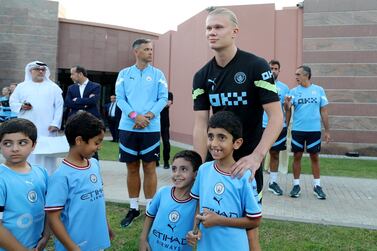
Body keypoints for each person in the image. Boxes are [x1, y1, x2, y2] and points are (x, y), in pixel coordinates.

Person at [192, 7, 282, 250]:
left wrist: (256, 156)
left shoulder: (256, 65)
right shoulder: (201, 76)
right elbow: (201, 124)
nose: (212, 32)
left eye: (218, 27)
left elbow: (276, 117)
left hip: (248, 164)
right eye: (208, 28)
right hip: (216, 165)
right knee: (208, 223)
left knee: (250, 230)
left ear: (235, 32)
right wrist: (199, 166)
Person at [188, 111, 261, 250]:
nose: (214, 143)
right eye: (210, 136)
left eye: (221, 138)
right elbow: (199, 206)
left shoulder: (245, 177)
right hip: (206, 245)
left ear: (237, 143)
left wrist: (219, 220)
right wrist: (194, 230)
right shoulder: (203, 170)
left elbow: (255, 220)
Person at [116, 38, 168, 228]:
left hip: (151, 128)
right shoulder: (123, 74)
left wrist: (147, 116)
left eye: (151, 49)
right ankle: (133, 207)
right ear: (136, 52)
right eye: (146, 49)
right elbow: (120, 99)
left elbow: (163, 98)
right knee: (131, 167)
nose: (150, 52)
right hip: (128, 127)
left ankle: (150, 208)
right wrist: (134, 116)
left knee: (149, 167)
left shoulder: (158, 74)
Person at [45, 111, 113, 250]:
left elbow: (98, 200)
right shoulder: (61, 176)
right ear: (79, 141)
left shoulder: (94, 164)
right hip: (75, 245)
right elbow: (53, 218)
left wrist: (106, 226)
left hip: (96, 240)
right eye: (96, 142)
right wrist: (73, 247)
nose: (99, 147)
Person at [0, 118, 50, 250]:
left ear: (33, 145)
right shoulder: (1, 178)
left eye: (22, 143)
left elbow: (49, 209)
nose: (15, 149)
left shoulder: (42, 172)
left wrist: (46, 235)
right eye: (7, 143)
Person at [139, 150, 202, 251]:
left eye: (184, 169)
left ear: (195, 174)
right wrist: (143, 239)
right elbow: (150, 216)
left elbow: (197, 231)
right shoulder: (162, 192)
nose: (177, 174)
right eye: (174, 169)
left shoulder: (198, 203)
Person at [10, 61, 64, 175]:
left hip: (47, 128)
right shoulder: (21, 86)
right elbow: (13, 102)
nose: (40, 72)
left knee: (46, 154)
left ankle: (47, 177)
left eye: (43, 70)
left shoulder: (53, 87)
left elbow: (59, 106)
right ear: (30, 71)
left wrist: (56, 123)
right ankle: (25, 174)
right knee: (27, 149)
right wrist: (21, 106)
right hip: (26, 127)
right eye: (37, 69)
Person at [285, 65, 330, 200]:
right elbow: (288, 111)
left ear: (307, 75)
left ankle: (317, 186)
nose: (296, 77)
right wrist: (286, 106)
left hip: (314, 131)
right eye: (296, 74)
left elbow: (324, 111)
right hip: (298, 130)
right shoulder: (293, 91)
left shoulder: (319, 90)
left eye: (298, 74)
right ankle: (296, 185)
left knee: (314, 157)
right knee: (297, 156)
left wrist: (327, 130)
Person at [262, 60, 290, 196]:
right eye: (271, 68)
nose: (273, 71)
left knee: (275, 154)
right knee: (258, 154)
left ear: (279, 71)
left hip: (278, 127)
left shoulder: (284, 88)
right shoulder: (260, 85)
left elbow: (287, 109)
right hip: (261, 126)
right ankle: (256, 182)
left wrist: (287, 106)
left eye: (276, 68)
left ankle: (273, 182)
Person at [160, 91, 173, 169]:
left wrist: (156, 104)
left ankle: (166, 162)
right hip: (155, 123)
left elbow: (168, 103)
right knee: (155, 143)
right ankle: (156, 160)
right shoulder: (154, 93)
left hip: (165, 122)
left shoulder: (168, 94)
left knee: (166, 142)